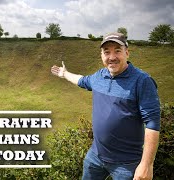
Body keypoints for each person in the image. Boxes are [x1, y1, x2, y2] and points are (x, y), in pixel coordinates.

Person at [51, 32, 160, 180]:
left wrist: (146, 165)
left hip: (126, 164)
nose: (112, 57)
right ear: (101, 55)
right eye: (106, 52)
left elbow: (152, 123)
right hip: (95, 156)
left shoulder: (142, 81)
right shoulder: (99, 76)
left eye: (117, 50)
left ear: (127, 53)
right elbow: (82, 81)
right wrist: (64, 74)